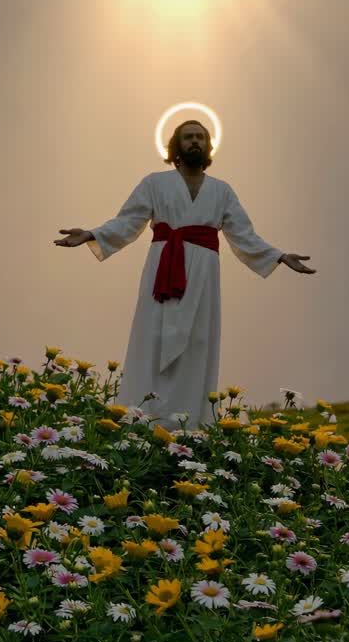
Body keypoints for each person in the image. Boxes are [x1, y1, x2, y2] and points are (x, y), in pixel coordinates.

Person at [54, 120, 316, 431]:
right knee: (152, 336)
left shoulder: (222, 191)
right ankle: (141, 420)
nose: (195, 142)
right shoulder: (154, 183)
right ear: (176, 145)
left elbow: (244, 235)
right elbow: (127, 221)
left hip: (203, 277)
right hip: (162, 269)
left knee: (197, 341)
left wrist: (279, 256)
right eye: (188, 137)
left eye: (200, 137)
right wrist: (91, 234)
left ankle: (190, 427)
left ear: (208, 145)